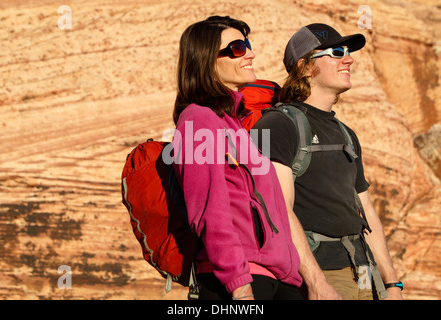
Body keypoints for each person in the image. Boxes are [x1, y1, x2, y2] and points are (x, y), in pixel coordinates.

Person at [253, 23, 404, 300]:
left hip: (364, 272)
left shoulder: (346, 134)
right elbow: (278, 210)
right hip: (325, 274)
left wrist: (392, 284)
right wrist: (316, 282)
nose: (349, 58)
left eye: (347, 51)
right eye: (336, 52)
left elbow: (366, 212)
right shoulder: (276, 126)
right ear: (305, 66)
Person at [171, 16, 303, 300]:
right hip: (240, 282)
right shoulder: (198, 120)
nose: (251, 53)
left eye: (248, 45)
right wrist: (239, 285)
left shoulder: (236, 127)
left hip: (277, 279)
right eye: (238, 48)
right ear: (206, 60)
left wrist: (293, 276)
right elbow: (208, 211)